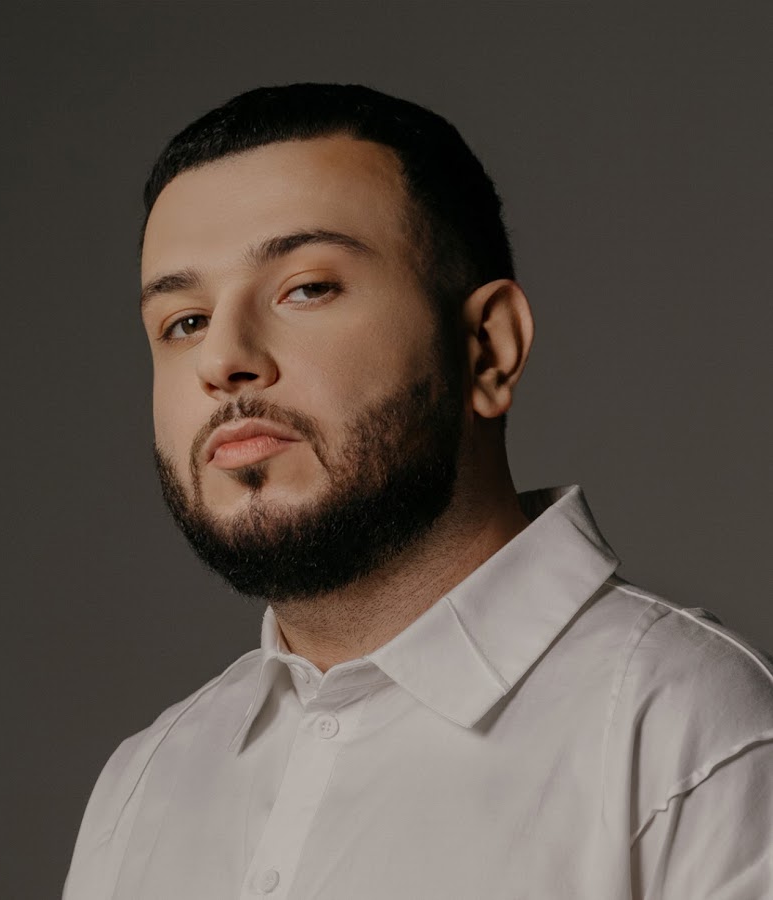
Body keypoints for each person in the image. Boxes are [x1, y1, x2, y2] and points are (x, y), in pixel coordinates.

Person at [62, 83, 773, 899]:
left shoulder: (691, 735)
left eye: (306, 288)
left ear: (488, 348)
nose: (222, 359)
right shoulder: (143, 786)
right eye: (183, 322)